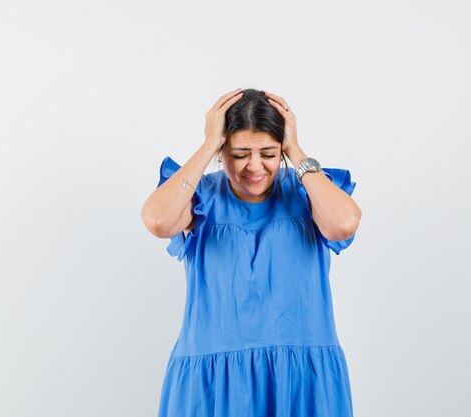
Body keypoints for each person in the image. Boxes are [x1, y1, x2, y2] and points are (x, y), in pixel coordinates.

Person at [140, 87, 362, 417]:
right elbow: (158, 220)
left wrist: (296, 152)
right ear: (222, 151)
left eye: (269, 154)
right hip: (214, 381)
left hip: (302, 379)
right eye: (240, 153)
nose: (254, 166)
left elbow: (344, 223)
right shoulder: (201, 196)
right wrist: (207, 145)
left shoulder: (308, 191)